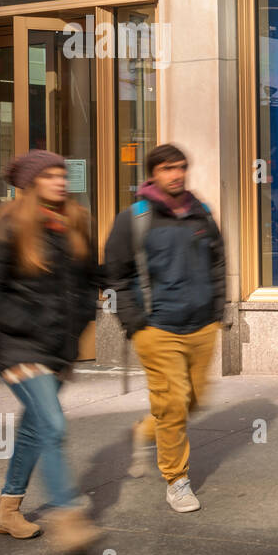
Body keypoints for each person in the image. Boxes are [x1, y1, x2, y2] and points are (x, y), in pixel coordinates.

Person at [0, 150, 103, 554]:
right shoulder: (10, 225)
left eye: (62, 174)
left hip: (56, 349)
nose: (60, 182)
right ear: (31, 183)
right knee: (53, 425)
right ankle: (68, 515)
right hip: (20, 347)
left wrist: (80, 321)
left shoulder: (74, 224)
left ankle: (7, 509)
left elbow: (87, 284)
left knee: (35, 428)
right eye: (49, 176)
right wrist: (31, 323)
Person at [104, 143, 226, 513]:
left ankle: (145, 431)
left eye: (181, 167)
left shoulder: (200, 212)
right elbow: (115, 276)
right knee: (172, 404)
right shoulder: (135, 218)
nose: (176, 174)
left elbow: (218, 262)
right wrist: (135, 323)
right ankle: (177, 480)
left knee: (193, 400)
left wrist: (218, 308)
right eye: (168, 169)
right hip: (158, 328)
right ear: (153, 173)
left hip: (202, 326)